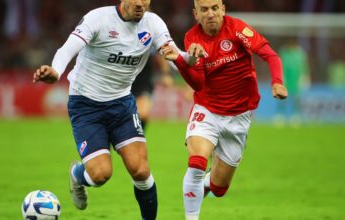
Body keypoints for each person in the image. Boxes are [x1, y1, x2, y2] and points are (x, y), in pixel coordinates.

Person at [32, 1, 186, 219]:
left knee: (141, 170)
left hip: (122, 104)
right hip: (86, 105)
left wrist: (194, 59)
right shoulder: (98, 19)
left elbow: (175, 56)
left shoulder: (153, 23)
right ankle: (78, 174)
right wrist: (55, 71)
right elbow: (67, 49)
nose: (141, 3)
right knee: (101, 175)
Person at [161, 0, 288, 219]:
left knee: (219, 188)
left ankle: (206, 185)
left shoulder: (237, 29)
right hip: (207, 110)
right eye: (204, 10)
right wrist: (184, 61)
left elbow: (270, 55)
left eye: (214, 8)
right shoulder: (193, 38)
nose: (210, 14)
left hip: (239, 116)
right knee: (197, 162)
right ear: (196, 14)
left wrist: (277, 81)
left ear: (223, 9)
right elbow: (198, 84)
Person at [131, 52, 173, 131]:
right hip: (123, 79)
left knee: (143, 113)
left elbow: (160, 53)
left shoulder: (148, 40)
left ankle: (138, 138)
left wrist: (166, 74)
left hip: (144, 79)